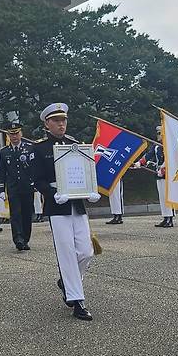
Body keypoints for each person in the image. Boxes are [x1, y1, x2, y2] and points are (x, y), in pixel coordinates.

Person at [31, 103, 100, 321]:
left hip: (77, 204)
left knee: (87, 251)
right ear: (47, 124)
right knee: (67, 252)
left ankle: (66, 282)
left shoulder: (75, 145)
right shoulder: (40, 149)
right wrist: (52, 194)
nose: (62, 124)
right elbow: (38, 180)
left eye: (64, 120)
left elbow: (85, 171)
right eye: (57, 121)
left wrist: (91, 191)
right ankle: (77, 300)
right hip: (57, 205)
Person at [0, 123, 34, 250]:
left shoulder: (29, 148)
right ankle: (18, 238)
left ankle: (25, 238)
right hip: (13, 188)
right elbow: (2, 172)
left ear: (21, 134)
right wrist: (1, 188)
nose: (14, 136)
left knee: (27, 213)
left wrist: (35, 183)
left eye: (16, 133)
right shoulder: (4, 152)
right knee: (15, 214)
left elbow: (34, 168)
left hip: (27, 186)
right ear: (8, 135)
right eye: (11, 134)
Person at [138, 126, 174, 227]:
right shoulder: (156, 145)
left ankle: (170, 219)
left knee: (168, 197)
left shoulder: (169, 145)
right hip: (158, 173)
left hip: (167, 174)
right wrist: (139, 163)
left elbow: (170, 159)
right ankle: (165, 217)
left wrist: (163, 169)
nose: (158, 135)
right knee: (162, 197)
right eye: (157, 133)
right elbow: (149, 155)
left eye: (160, 133)